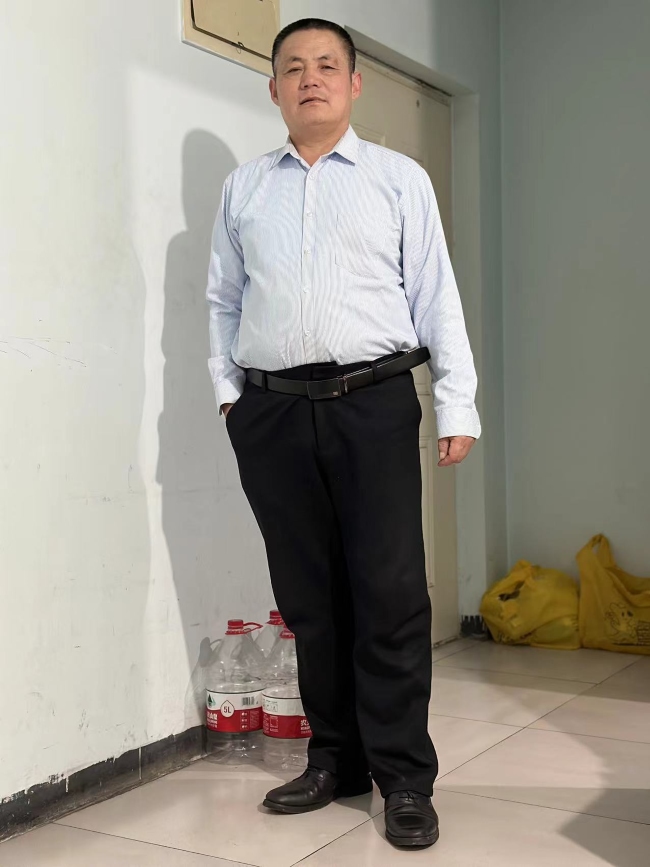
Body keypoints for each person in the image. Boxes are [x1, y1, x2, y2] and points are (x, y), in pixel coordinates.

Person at [206, 18, 480, 850]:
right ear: (274, 89)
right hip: (274, 412)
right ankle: (336, 759)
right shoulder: (245, 188)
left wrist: (458, 403)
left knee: (390, 593)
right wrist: (230, 396)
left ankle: (404, 777)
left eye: (327, 65)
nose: (311, 78)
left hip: (373, 402)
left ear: (354, 83)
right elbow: (223, 299)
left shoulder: (398, 179)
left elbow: (436, 294)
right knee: (310, 598)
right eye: (294, 67)